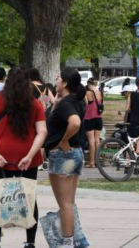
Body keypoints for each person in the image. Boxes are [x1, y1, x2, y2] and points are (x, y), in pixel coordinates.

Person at [0, 67, 46, 248]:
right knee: (29, 199)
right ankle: (30, 242)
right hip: (28, 159)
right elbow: (42, 132)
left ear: (7, 81)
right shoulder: (35, 104)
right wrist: (29, 155)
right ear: (28, 83)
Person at [44, 68, 87, 248]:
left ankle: (67, 242)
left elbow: (75, 122)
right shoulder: (76, 101)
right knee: (69, 202)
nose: (56, 79)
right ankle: (73, 239)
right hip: (75, 154)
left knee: (65, 203)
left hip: (63, 156)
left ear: (66, 83)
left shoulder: (67, 103)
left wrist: (63, 140)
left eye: (59, 77)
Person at [84, 78, 103, 168]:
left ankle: (92, 162)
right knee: (97, 140)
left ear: (89, 84)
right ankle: (97, 161)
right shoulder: (100, 93)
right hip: (99, 118)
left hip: (89, 118)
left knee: (91, 141)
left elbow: (86, 104)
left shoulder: (87, 93)